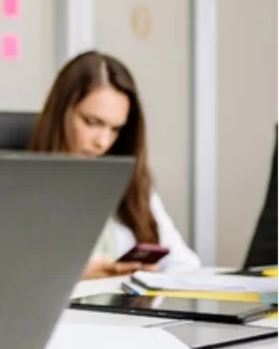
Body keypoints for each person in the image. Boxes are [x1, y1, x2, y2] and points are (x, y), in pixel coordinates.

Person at [29, 51, 201, 279]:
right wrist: (75, 278)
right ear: (61, 112)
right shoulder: (19, 190)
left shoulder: (131, 186)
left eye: (115, 129)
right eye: (92, 122)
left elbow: (184, 265)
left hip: (128, 312)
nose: (102, 142)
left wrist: (145, 279)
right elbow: (1, 282)